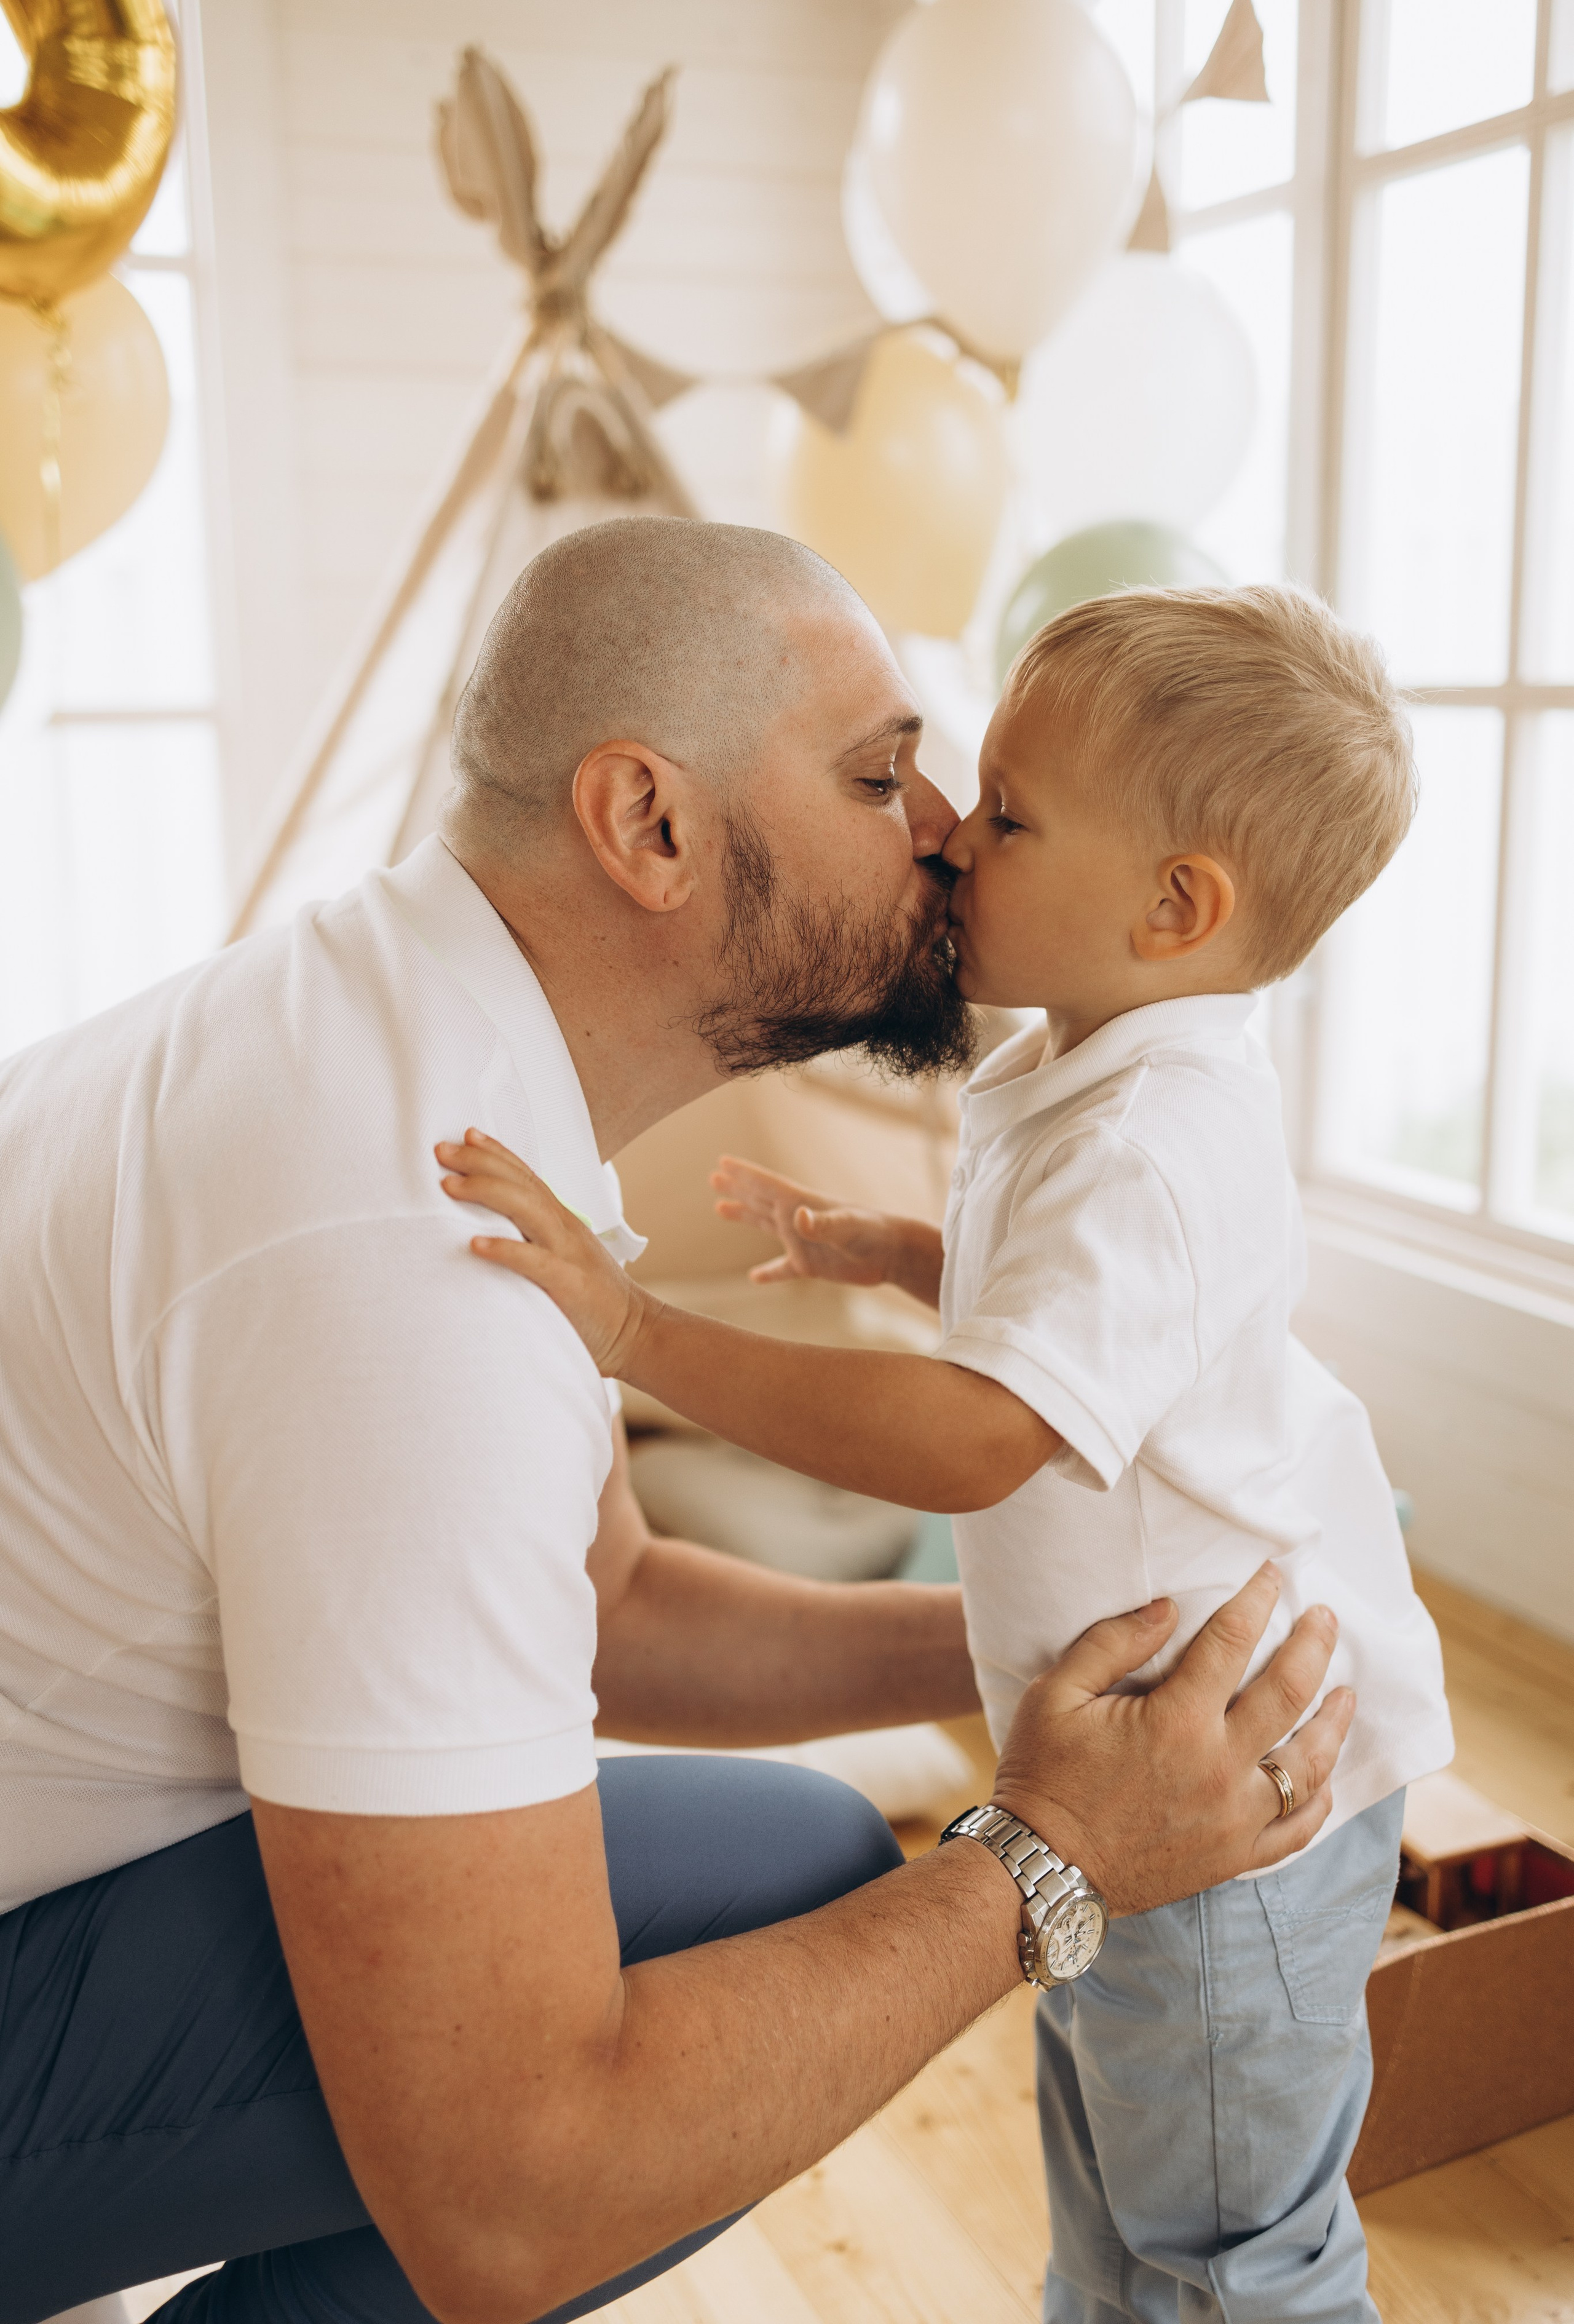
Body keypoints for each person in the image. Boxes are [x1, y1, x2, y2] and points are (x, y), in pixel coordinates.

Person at [0, 523, 1354, 2324]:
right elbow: (508, 2211)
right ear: (650, 825)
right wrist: (1054, 1852)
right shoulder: (413, 1266)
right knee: (700, 1976)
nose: (946, 824)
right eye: (884, 772)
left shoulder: (396, 1041)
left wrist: (1049, 1668)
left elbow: (614, 1616)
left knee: (779, 1864)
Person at [432, 580, 1452, 2324]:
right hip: (1128, 1770)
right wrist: (896, 1253)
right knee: (1118, 2200)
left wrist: (643, 1334)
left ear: (1175, 907)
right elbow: (1068, 1323)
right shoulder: (1078, 1069)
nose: (954, 841)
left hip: (1233, 1810)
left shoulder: (1154, 1139)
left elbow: (989, 1434)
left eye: (1012, 813)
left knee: (1229, 2254)